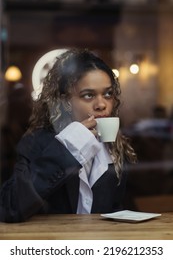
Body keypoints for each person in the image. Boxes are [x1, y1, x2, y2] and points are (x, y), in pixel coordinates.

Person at [0, 48, 136, 223]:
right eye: (88, 95)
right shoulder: (37, 142)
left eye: (108, 93)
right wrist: (69, 147)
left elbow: (116, 210)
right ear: (65, 102)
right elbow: (10, 207)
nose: (102, 104)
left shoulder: (115, 148)